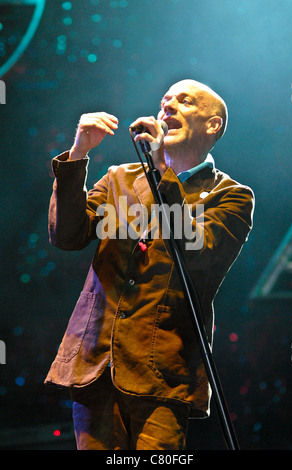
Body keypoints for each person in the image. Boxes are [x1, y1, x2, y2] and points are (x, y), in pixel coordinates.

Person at [45, 79, 255, 450]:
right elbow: (66, 236)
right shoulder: (119, 178)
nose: (168, 107)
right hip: (95, 363)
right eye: (165, 100)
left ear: (212, 124)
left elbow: (196, 251)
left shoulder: (231, 196)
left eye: (184, 101)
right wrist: (78, 153)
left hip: (162, 372)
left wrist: (160, 167)